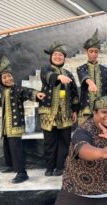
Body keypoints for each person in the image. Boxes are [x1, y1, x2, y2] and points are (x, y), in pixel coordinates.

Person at [0, 56, 45, 183]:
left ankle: (22, 172)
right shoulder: (4, 91)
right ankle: (10, 165)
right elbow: (2, 101)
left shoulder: (17, 89)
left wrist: (36, 94)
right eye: (4, 77)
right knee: (7, 147)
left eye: (9, 76)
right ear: (1, 81)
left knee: (16, 149)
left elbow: (26, 92)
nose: (8, 78)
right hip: (6, 125)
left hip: (15, 125)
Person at [38, 41, 80, 176]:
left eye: (61, 55)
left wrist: (75, 110)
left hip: (65, 113)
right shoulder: (45, 70)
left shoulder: (69, 74)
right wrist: (58, 77)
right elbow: (48, 77)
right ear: (51, 57)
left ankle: (60, 167)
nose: (58, 57)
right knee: (49, 141)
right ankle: (49, 167)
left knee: (64, 141)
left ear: (64, 58)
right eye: (55, 54)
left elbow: (74, 94)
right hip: (49, 113)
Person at [77, 29, 107, 125]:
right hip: (86, 109)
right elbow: (83, 75)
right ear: (86, 52)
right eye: (91, 51)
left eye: (96, 52)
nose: (93, 54)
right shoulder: (81, 68)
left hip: (101, 110)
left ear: (98, 52)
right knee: (85, 135)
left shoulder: (104, 70)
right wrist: (90, 82)